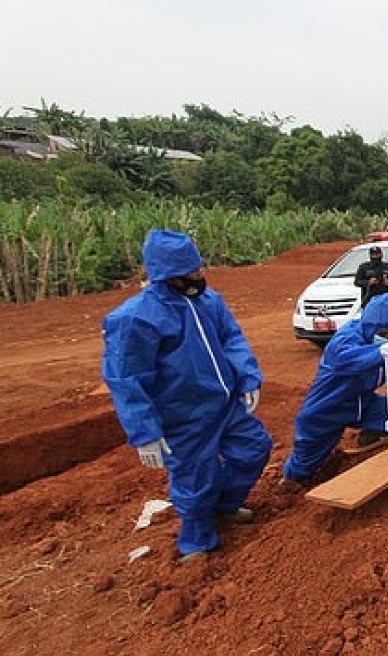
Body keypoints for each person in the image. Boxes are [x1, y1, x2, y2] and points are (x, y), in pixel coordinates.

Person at [101, 229, 272, 563]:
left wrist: (248, 377)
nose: (198, 277)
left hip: (224, 405)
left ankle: (223, 507)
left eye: (197, 269)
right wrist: (145, 433)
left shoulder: (208, 302)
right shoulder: (136, 318)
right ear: (166, 275)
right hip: (183, 417)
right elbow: (126, 379)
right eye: (188, 274)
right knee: (196, 480)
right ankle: (196, 543)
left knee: (254, 449)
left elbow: (231, 339)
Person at [281, 294, 388, 488]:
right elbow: (351, 360)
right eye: (385, 332)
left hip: (362, 403)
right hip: (328, 409)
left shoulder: (382, 341)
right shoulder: (346, 340)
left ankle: (369, 436)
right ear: (371, 325)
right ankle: (290, 482)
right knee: (307, 460)